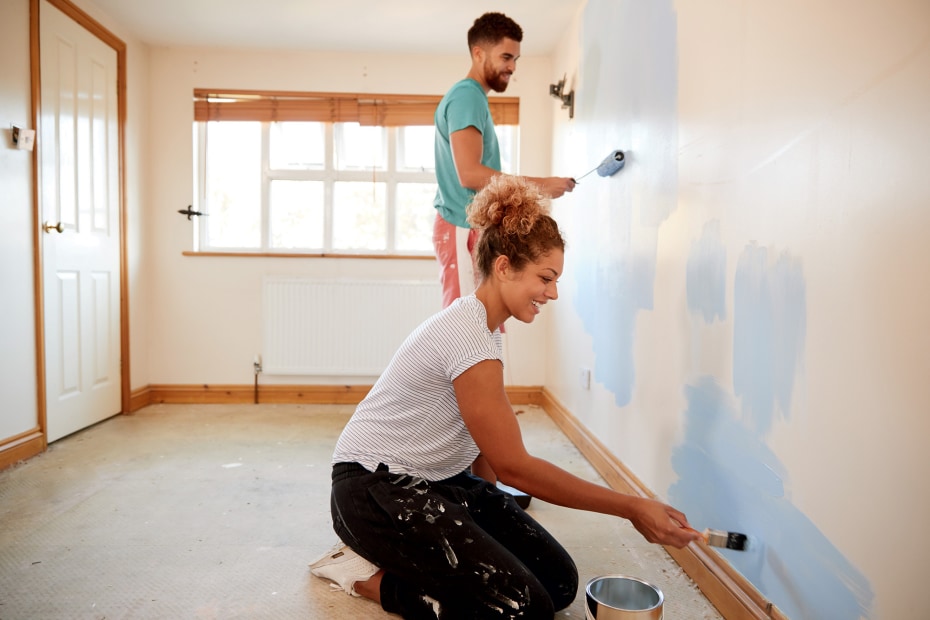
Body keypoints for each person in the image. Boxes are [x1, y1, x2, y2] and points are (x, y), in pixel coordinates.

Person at [310, 175, 701, 619]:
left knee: (558, 584)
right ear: (502, 267)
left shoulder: (488, 331)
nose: (553, 292)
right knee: (522, 609)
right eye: (545, 278)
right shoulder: (466, 337)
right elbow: (517, 465)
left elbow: (483, 448)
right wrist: (632, 507)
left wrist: (486, 526)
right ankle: (361, 574)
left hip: (439, 480)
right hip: (374, 491)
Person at [433, 11, 576, 309]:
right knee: (465, 327)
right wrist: (541, 186)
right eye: (506, 57)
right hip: (460, 225)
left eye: (516, 59)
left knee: (483, 323)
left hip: (470, 228)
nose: (512, 67)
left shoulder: (473, 99)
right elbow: (470, 174)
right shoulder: (466, 97)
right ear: (478, 53)